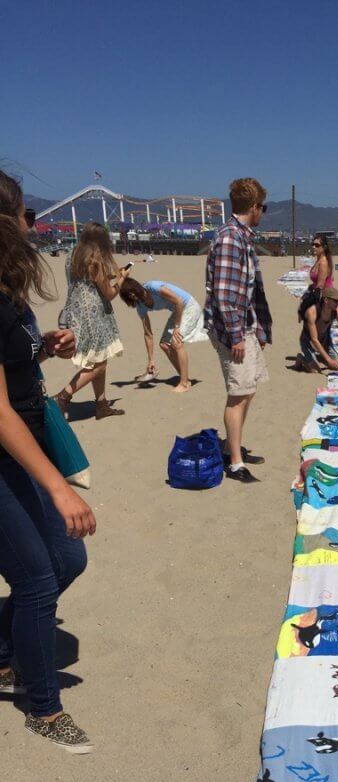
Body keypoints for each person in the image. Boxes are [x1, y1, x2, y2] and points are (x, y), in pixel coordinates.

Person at [0, 170, 97, 751]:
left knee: (67, 559)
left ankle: (9, 649)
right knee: (36, 576)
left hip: (24, 446)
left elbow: (11, 358)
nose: (31, 226)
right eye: (24, 216)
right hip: (8, 452)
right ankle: (42, 705)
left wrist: (42, 346)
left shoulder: (6, 288)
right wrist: (60, 488)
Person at [204, 177, 272, 484]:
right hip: (232, 329)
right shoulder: (232, 238)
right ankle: (234, 462)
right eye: (263, 208)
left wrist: (257, 329)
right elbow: (224, 294)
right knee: (238, 393)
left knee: (248, 389)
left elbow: (245, 291)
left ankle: (235, 448)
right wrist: (235, 336)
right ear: (254, 207)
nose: (263, 213)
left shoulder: (241, 236)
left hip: (244, 326)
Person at [56, 223, 128, 419]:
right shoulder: (95, 260)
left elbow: (88, 279)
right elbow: (110, 293)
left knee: (98, 358)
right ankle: (62, 397)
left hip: (76, 312)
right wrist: (122, 280)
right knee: (98, 365)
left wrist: (113, 274)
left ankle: (101, 405)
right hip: (93, 315)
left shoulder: (73, 254)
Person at [119, 277, 206, 391]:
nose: (132, 295)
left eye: (132, 291)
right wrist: (151, 360)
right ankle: (185, 378)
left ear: (137, 286)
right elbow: (148, 334)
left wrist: (177, 327)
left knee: (176, 342)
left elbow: (179, 301)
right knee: (164, 344)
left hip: (189, 306)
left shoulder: (153, 287)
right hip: (178, 311)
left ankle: (184, 384)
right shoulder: (140, 307)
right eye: (128, 295)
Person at [293, 287, 338, 373]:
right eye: (335, 301)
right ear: (326, 300)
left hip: (325, 340)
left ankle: (319, 358)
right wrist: (329, 360)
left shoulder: (337, 312)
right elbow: (314, 339)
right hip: (308, 341)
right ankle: (301, 358)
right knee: (315, 371)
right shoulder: (312, 312)